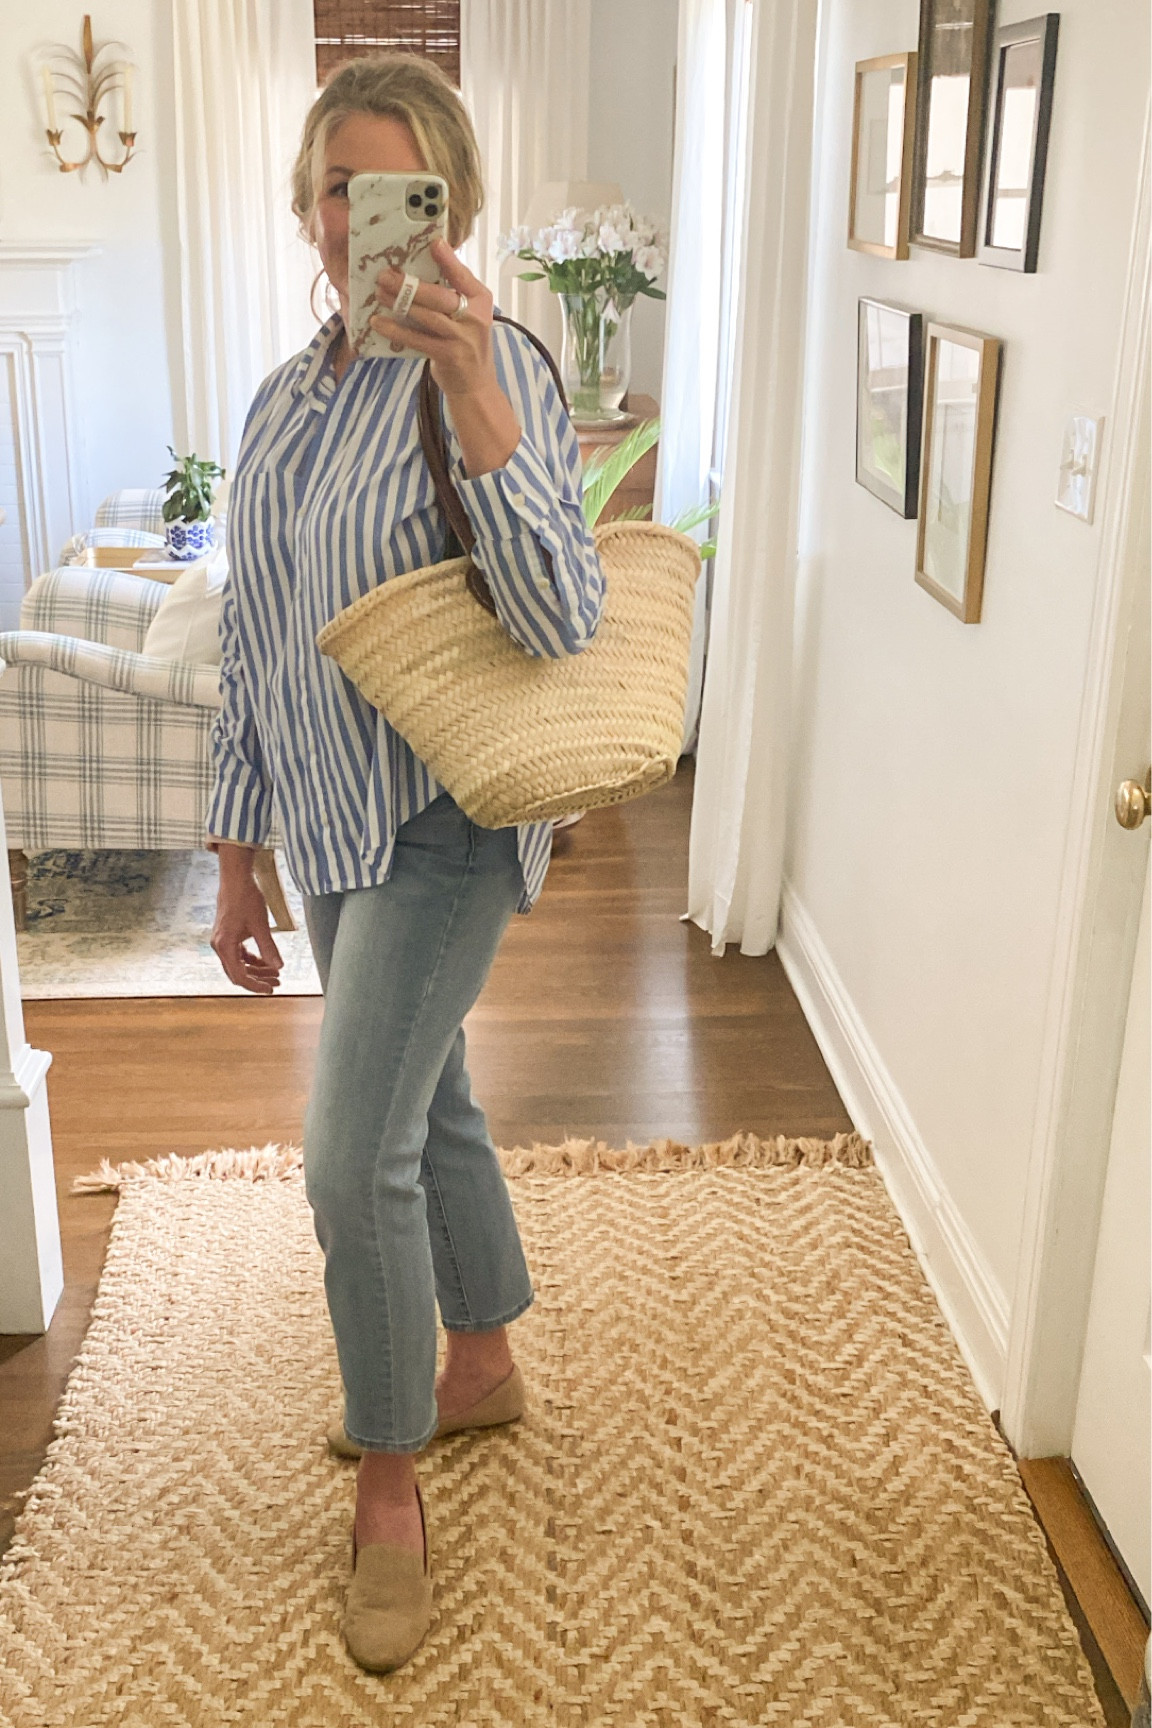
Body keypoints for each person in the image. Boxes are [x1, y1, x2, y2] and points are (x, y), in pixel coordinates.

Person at [206, 54, 604, 1673]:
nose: (356, 227)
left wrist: (478, 404)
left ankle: (390, 1481)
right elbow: (252, 644)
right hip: (322, 816)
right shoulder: (281, 397)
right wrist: (235, 856)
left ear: (448, 210)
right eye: (334, 193)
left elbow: (563, 620)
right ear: (311, 213)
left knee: (343, 1154)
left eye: (390, 195)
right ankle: (484, 1357)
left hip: (448, 816)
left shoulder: (499, 361)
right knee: (427, 1099)